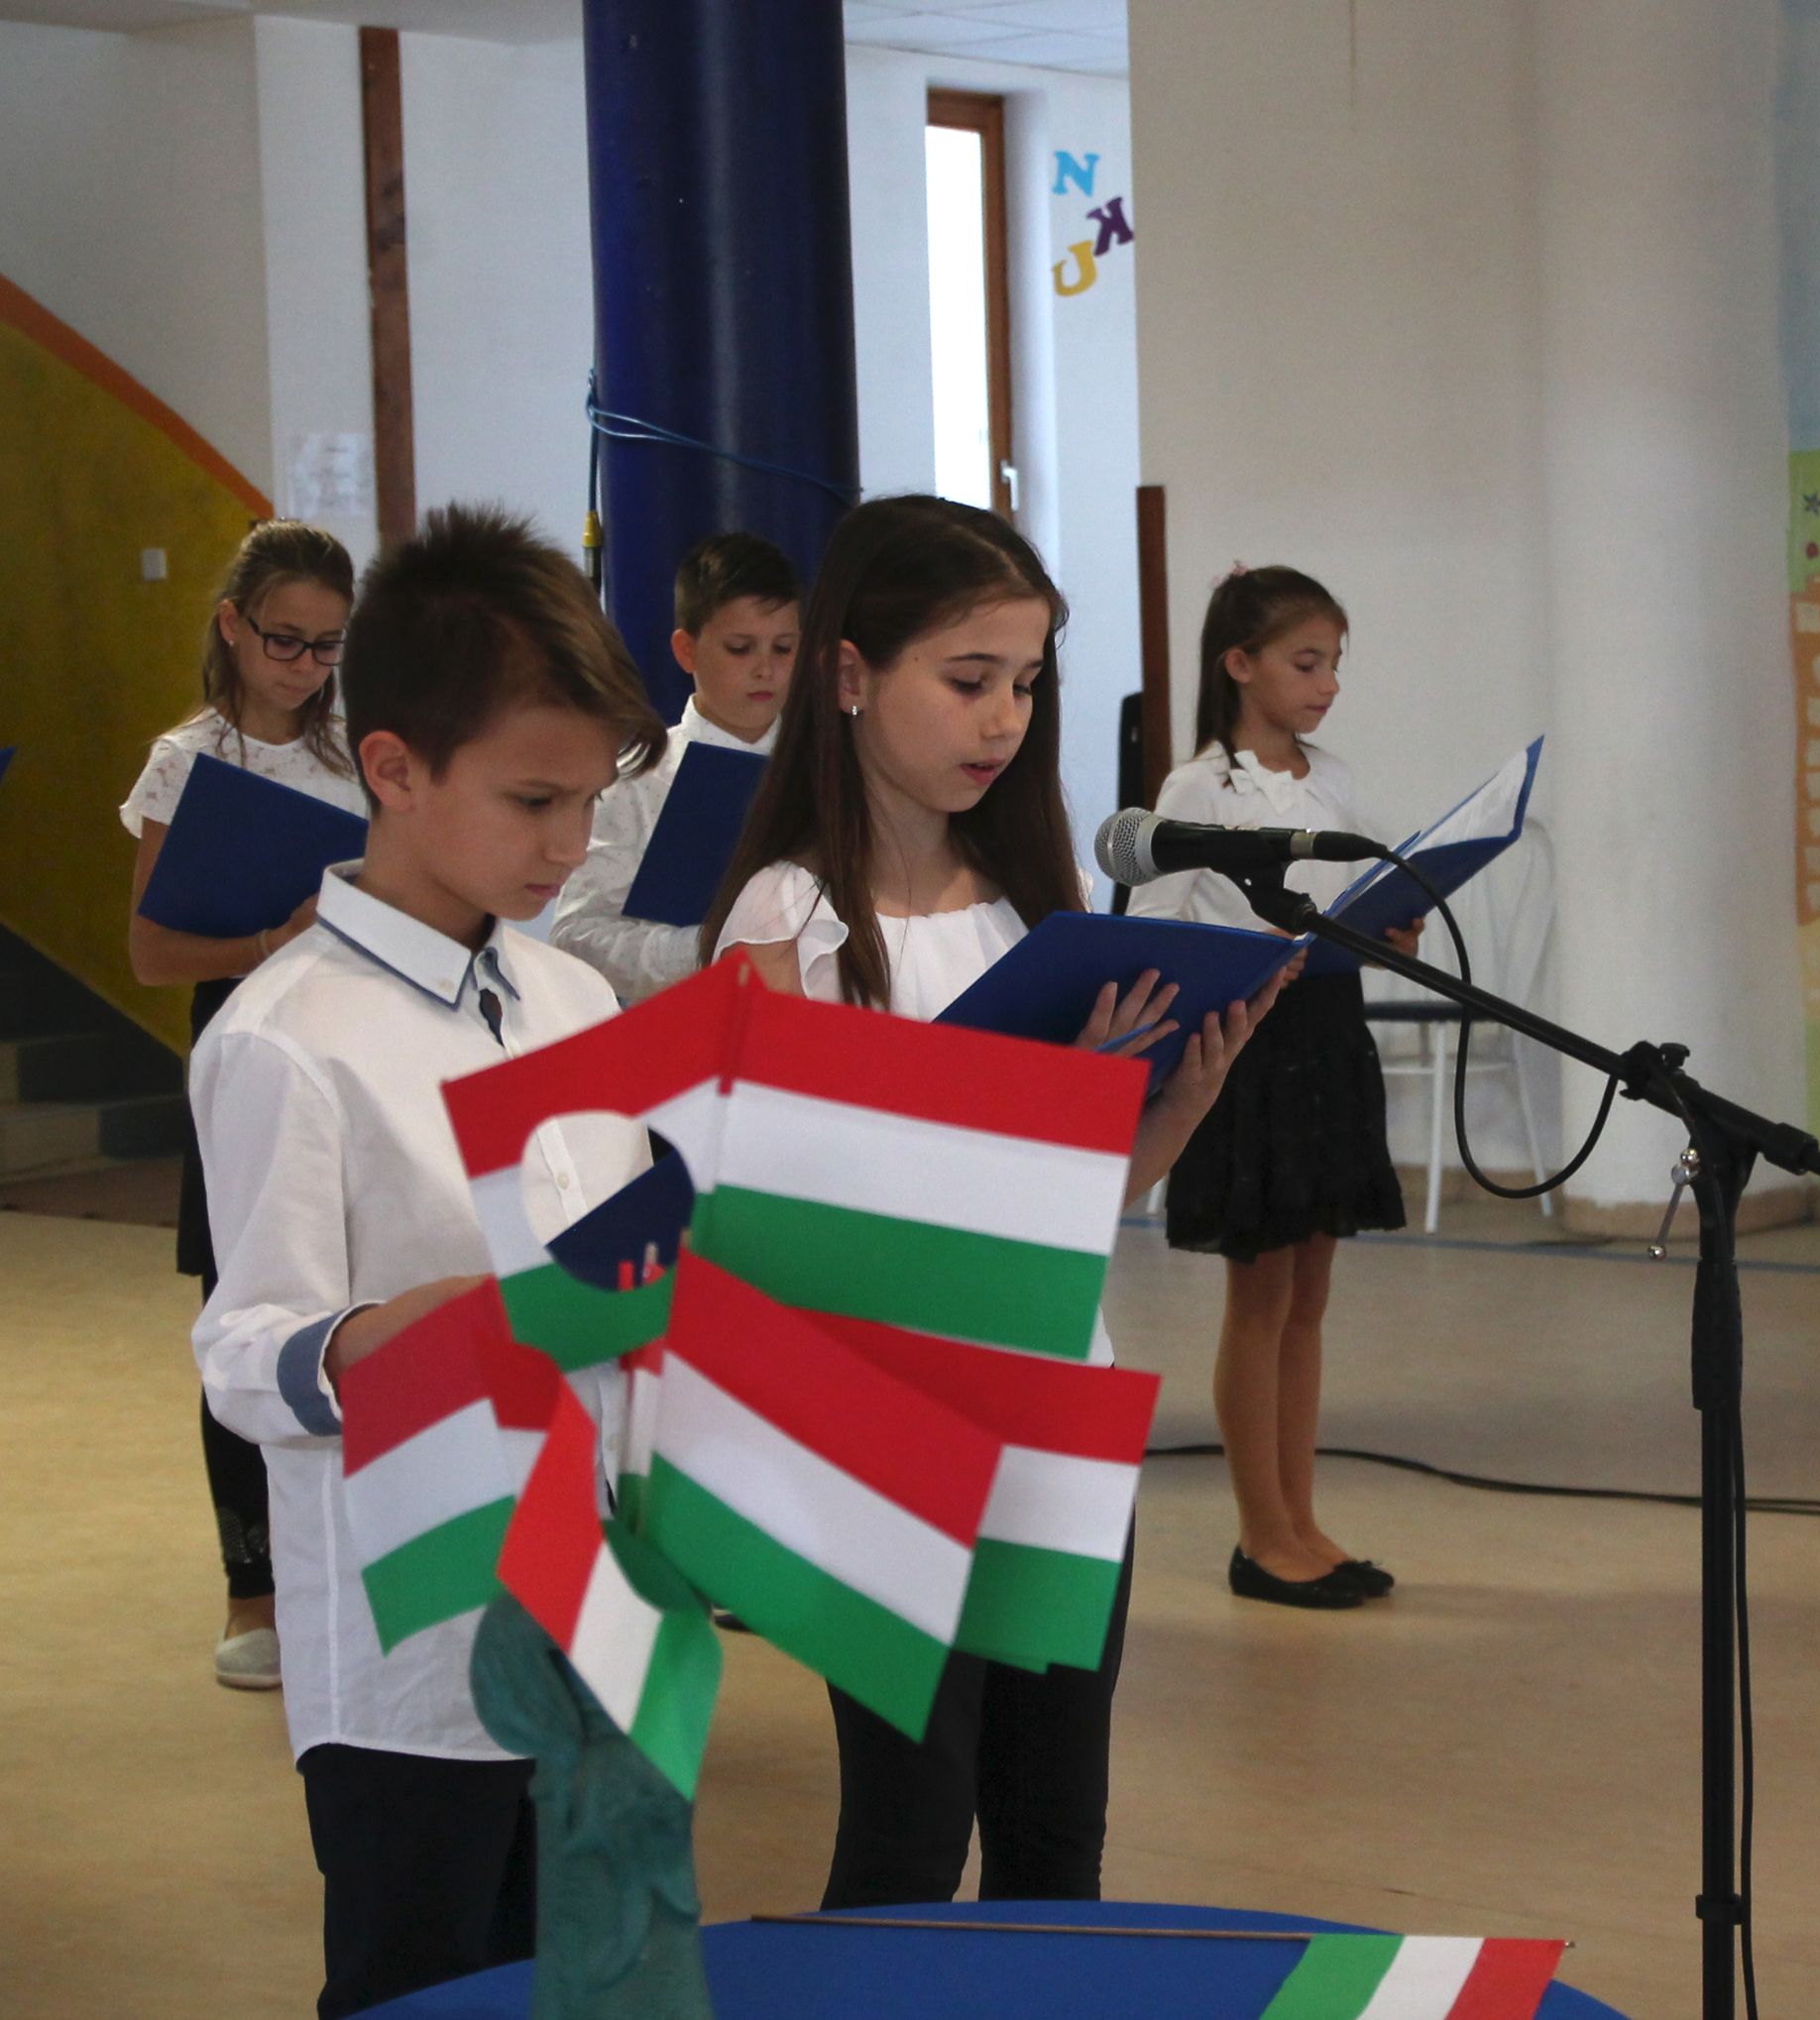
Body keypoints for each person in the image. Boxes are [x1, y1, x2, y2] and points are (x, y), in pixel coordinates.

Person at [702, 494, 1285, 1910]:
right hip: (881, 1427)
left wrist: (1170, 1107)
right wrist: (1025, 1119)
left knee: (1055, 1839)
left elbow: (1063, 1218)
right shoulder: (784, 922)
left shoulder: (1035, 902)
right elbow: (786, 1236)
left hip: (1054, 1404)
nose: (1003, 720)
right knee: (907, 1838)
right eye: (968, 679)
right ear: (850, 673)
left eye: (1025, 683)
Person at [191, 505, 665, 2016]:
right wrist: (374, 1337)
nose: (569, 845)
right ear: (392, 767)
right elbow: (242, 1348)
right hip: (413, 1652)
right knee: (421, 1981)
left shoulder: (571, 996)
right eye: (533, 800)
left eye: (588, 800)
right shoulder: (289, 1037)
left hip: (590, 1593)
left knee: (580, 1974)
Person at [1133, 566, 1412, 1610]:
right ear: (1240, 665)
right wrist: (1250, 958)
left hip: (1328, 1034)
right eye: (1307, 662)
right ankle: (1261, 1534)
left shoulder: (1333, 782)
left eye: (1335, 662)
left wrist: (1387, 931)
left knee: (1309, 1296)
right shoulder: (1196, 791)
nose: (1328, 683)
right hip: (1247, 1043)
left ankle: (1303, 1519)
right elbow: (1157, 932)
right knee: (1259, 1298)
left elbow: (1351, 897)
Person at [121, 520, 368, 1693]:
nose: (305, 667)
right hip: (240, 1045)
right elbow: (152, 953)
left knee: (353, 1290)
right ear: (231, 625)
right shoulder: (186, 762)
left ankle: (351, 1562)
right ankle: (252, 1589)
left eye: (327, 646)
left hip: (349, 1038)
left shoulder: (360, 756)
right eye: (284, 641)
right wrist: (273, 937)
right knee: (248, 1305)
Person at [551, 530, 800, 1001]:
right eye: (740, 648)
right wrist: (707, 949)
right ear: (687, 650)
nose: (765, 669)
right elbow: (575, 936)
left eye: (783, 648)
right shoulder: (635, 777)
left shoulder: (828, 767)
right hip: (682, 1023)